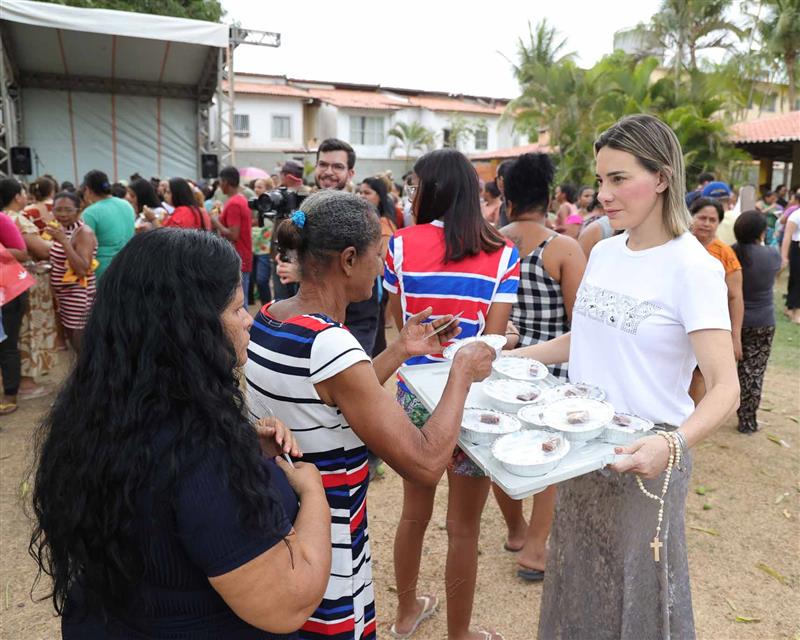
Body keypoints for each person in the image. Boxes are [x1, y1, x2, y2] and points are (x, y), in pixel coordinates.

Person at [30, 228, 333, 638]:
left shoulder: (100, 413)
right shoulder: (201, 453)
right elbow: (287, 603)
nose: (248, 321)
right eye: (237, 309)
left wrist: (244, 446)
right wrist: (313, 492)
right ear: (191, 328)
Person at [515, 114, 739, 639]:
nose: (604, 195)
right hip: (582, 447)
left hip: (646, 459)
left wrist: (672, 444)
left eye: (618, 179)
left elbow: (725, 386)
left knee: (636, 594)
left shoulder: (694, 267)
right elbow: (586, 338)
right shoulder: (604, 251)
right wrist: (515, 357)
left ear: (662, 177)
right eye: (601, 180)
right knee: (577, 579)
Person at [245, 190, 495, 640]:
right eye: (377, 255)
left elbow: (330, 398)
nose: (381, 267)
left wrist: (400, 349)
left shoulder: (270, 317)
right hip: (328, 538)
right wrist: (462, 371)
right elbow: (425, 463)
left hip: (286, 524)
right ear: (347, 260)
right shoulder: (330, 344)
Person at [386, 149, 519, 640]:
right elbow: (492, 341)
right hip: (470, 402)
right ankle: (459, 634)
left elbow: (402, 327)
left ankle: (405, 614)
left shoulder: (399, 245)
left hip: (413, 397)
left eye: (416, 185)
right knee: (464, 526)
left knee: (413, 513)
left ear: (430, 190)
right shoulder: (503, 252)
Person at [494, 153, 587, 581]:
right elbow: (580, 322)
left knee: (502, 451)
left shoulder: (492, 242)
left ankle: (516, 530)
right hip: (553, 369)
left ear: (507, 199)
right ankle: (535, 549)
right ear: (549, 199)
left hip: (504, 367)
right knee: (551, 457)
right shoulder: (563, 248)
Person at [1, 178, 55, 398]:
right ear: (17, 196)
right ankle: (25, 382)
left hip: (8, 285)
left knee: (12, 333)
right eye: (23, 193)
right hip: (24, 283)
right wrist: (60, 242)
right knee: (28, 331)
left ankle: (13, 380)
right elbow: (41, 251)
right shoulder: (17, 219)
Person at [732, 211, 782, 432]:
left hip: (731, 321)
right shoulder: (772, 255)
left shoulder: (730, 253)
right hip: (762, 321)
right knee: (753, 370)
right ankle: (747, 420)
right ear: (762, 232)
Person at [690, 197, 744, 361]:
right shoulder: (677, 245)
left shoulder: (725, 254)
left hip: (709, 325)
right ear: (692, 217)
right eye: (702, 218)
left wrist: (735, 337)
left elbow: (735, 296)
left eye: (712, 220)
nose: (706, 224)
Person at [47, 191, 98, 353]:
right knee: (74, 342)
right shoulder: (63, 229)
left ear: (78, 210)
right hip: (65, 295)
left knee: (82, 345)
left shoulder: (83, 232)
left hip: (79, 296)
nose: (62, 214)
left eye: (68, 210)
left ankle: (87, 368)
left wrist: (63, 241)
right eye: (58, 210)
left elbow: (82, 269)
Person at [356, 176, 397, 358]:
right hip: (370, 284)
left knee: (375, 337)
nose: (362, 196)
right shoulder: (369, 220)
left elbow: (385, 262)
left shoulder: (382, 224)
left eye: (367, 192)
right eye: (360, 192)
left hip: (376, 285)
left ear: (379, 196)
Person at [0, 209, 30, 415]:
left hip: (7, 291)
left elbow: (22, 253)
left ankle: (10, 394)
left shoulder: (2, 220)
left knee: (6, 344)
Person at [80, 170, 135, 279]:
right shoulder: (126, 205)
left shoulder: (90, 213)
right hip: (129, 264)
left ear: (87, 190)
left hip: (103, 270)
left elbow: (85, 247)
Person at [212, 166, 253, 308]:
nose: (219, 185)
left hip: (237, 257)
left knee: (238, 303)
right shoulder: (241, 199)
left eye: (220, 182)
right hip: (243, 254)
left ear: (226, 182)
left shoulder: (234, 203)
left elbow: (233, 234)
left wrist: (216, 222)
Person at [250, 177, 276, 305]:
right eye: (255, 186)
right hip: (253, 247)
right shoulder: (254, 203)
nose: (256, 189)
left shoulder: (272, 205)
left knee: (262, 279)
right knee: (255, 279)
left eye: (259, 187)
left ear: (268, 189)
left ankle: (267, 306)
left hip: (265, 248)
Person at [781, 198, 800, 324]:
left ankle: (789, 307)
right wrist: (784, 257)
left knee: (795, 280)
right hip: (796, 248)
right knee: (796, 279)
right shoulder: (796, 215)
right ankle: (796, 313)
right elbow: (787, 236)